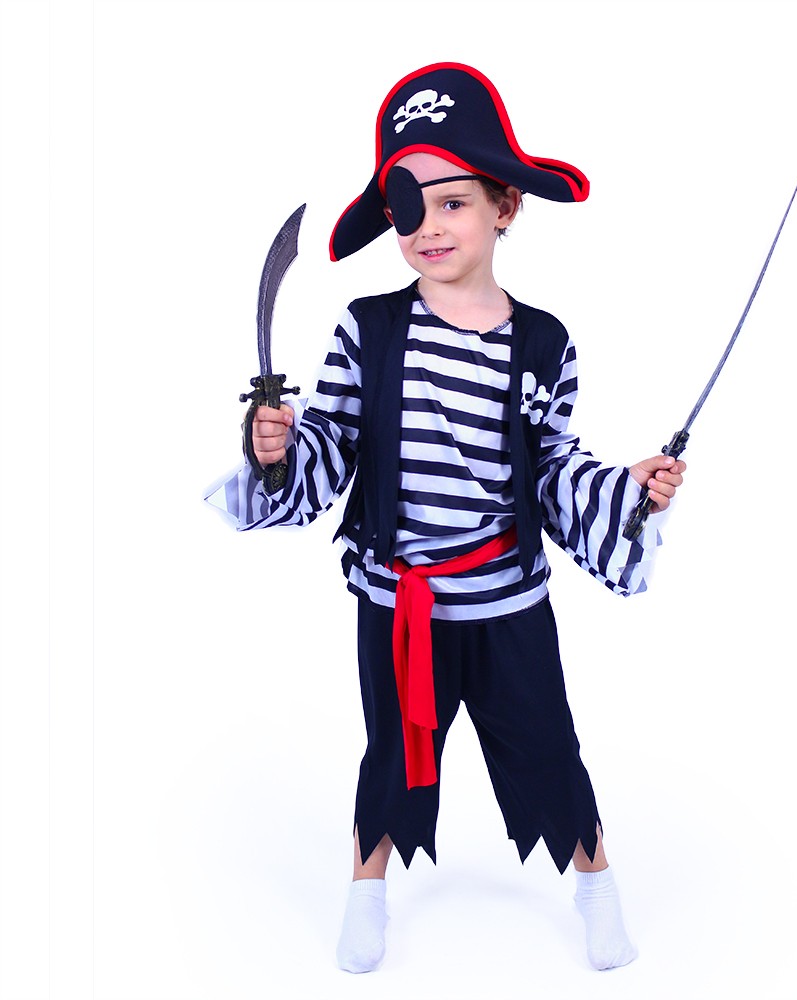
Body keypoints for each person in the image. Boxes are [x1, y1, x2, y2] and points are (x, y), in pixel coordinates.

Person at [210, 62, 685, 973]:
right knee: (391, 754)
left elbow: (552, 468)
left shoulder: (543, 342)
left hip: (507, 605)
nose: (428, 226)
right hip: (398, 605)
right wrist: (278, 451)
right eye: (407, 207)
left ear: (505, 206)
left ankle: (596, 888)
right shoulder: (368, 329)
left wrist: (624, 490)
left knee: (549, 749)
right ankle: (366, 891)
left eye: (453, 202)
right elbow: (330, 448)